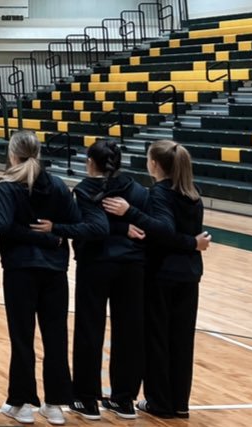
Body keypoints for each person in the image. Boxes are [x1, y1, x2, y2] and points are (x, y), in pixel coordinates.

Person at [0, 131, 106, 425]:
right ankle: (54, 405)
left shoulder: (7, 185)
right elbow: (79, 225)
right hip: (54, 272)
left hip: (21, 270)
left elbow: (3, 225)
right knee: (55, 338)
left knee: (22, 338)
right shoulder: (57, 185)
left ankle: (23, 403)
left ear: (12, 154)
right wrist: (54, 234)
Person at [102, 140, 210, 420]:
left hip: (163, 274)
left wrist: (130, 212)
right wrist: (191, 244)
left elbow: (164, 230)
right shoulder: (193, 194)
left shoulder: (160, 193)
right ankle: (180, 403)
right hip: (189, 275)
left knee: (158, 339)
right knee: (182, 341)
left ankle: (160, 402)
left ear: (155, 164)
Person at [69, 140, 149, 421]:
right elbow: (142, 226)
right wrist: (123, 228)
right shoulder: (137, 190)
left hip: (96, 264)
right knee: (130, 332)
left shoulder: (84, 189)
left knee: (90, 328)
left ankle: (86, 399)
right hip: (132, 266)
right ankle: (124, 400)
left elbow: (87, 227)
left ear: (91, 162)